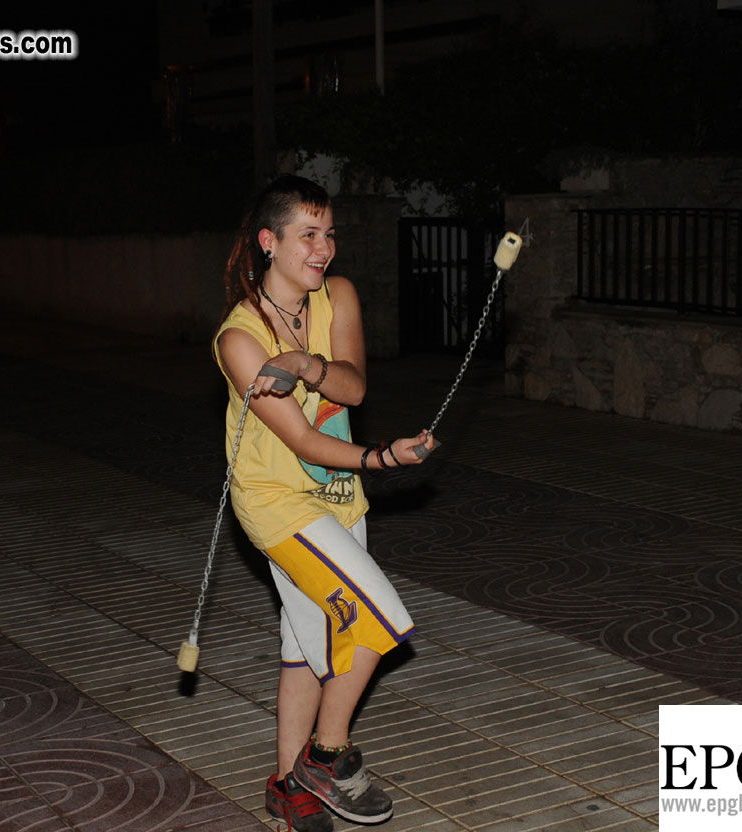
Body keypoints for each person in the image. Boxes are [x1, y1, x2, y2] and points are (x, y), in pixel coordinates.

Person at [213, 175, 434, 831]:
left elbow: (354, 387)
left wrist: (308, 364)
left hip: (338, 500)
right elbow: (304, 439)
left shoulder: (337, 296)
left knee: (305, 646)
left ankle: (287, 791)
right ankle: (325, 758)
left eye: (328, 233)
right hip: (277, 503)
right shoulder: (239, 338)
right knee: (378, 621)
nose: (324, 249)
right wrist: (383, 458)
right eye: (307, 235)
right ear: (268, 242)